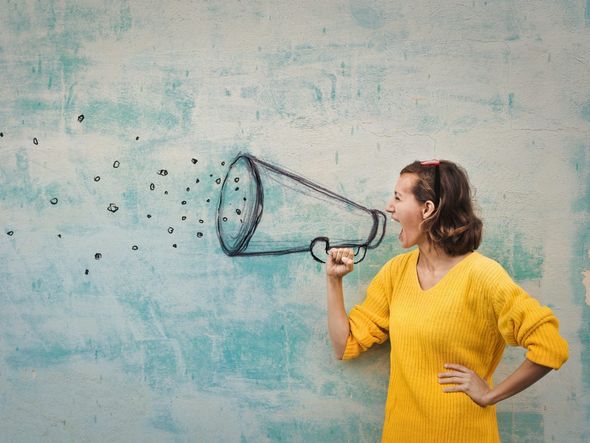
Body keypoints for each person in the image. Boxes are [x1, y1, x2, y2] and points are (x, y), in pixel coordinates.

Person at [325, 159, 568, 443]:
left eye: (398, 197)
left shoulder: (483, 275)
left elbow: (550, 347)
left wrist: (490, 394)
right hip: (401, 434)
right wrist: (334, 281)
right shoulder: (395, 272)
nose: (389, 207)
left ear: (427, 209)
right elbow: (345, 344)